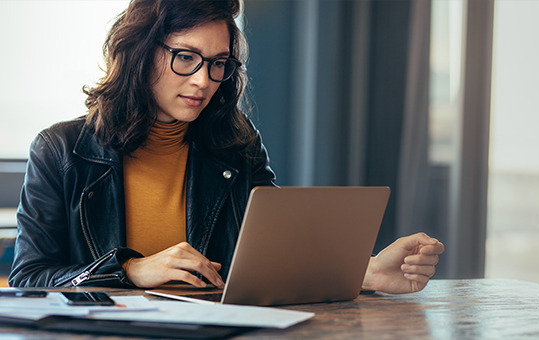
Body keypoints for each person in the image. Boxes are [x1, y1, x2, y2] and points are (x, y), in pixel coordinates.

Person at [9, 0, 444, 294]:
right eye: (185, 57)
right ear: (139, 52)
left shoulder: (236, 143)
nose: (203, 80)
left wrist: (365, 272)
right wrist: (128, 271)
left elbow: (275, 256)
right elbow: (30, 279)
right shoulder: (61, 150)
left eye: (218, 63)